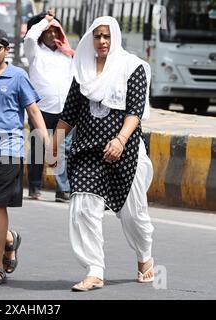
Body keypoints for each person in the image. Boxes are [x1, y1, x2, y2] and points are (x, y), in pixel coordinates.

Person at [52, 16, 155, 291]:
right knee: (83, 207)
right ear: (90, 38)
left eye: (107, 36)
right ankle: (94, 270)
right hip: (87, 150)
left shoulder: (132, 68)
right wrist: (52, 144)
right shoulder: (82, 69)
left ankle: (144, 255)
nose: (102, 41)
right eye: (97, 36)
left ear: (116, 38)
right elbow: (69, 113)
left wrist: (120, 140)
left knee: (134, 214)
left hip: (126, 150)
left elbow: (134, 111)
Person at [0, 27, 50, 286]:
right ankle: (10, 239)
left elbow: (34, 112)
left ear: (6, 49)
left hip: (9, 148)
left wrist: (47, 144)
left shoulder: (18, 76)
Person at [24, 9, 74, 202]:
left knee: (63, 148)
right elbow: (29, 39)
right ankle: (34, 186)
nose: (52, 34)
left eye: (55, 30)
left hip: (64, 109)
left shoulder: (67, 54)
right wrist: (45, 21)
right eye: (48, 31)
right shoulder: (34, 51)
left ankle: (63, 189)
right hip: (40, 109)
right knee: (38, 147)